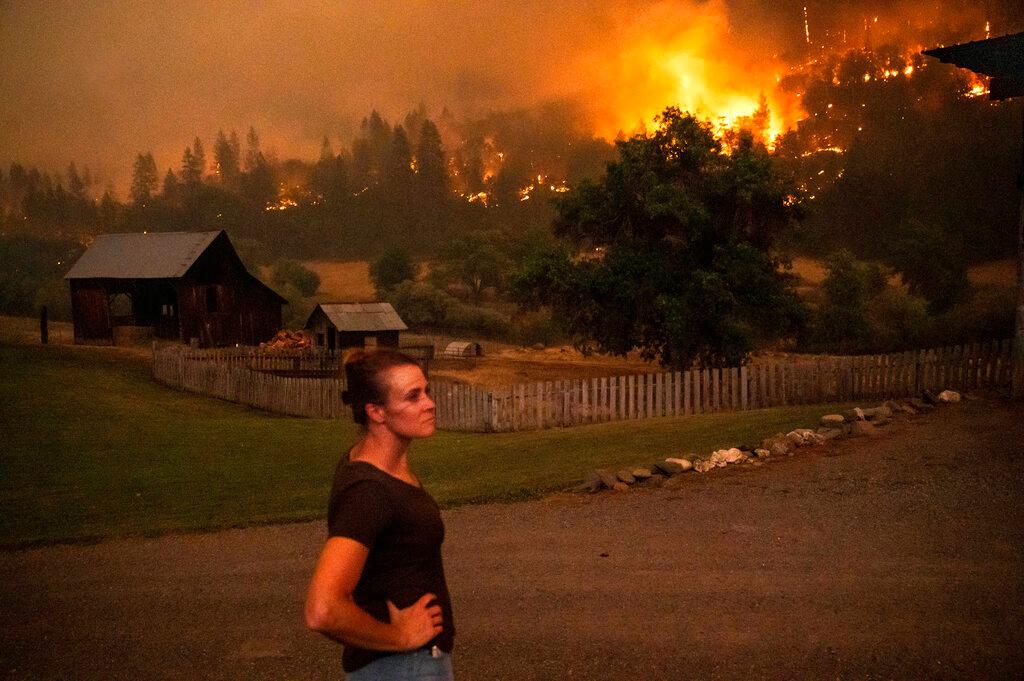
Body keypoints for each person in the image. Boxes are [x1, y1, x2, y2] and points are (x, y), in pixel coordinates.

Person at [305, 348, 455, 680]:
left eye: (426, 391)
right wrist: (398, 637)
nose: (429, 403)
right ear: (376, 411)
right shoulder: (370, 492)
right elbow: (322, 609)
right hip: (405, 667)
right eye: (413, 397)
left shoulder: (380, 466)